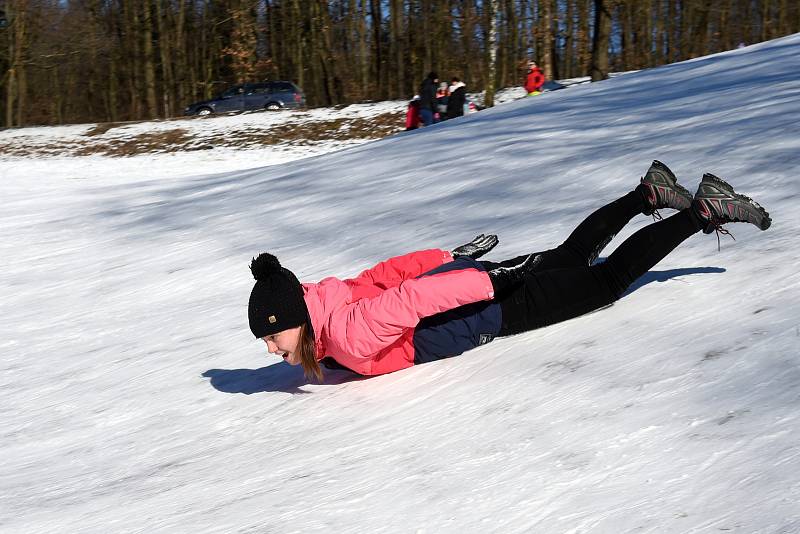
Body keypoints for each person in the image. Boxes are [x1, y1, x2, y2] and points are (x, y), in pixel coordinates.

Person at [247, 161, 771, 381]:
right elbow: (383, 276)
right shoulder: (330, 306)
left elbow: (406, 303)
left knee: (606, 283)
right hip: (466, 284)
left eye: (273, 335)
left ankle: (705, 211)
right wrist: (446, 259)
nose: (272, 348)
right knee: (569, 257)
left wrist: (484, 280)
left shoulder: (349, 332)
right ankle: (648, 193)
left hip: (488, 307)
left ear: (295, 316)